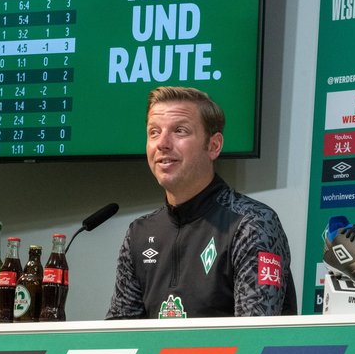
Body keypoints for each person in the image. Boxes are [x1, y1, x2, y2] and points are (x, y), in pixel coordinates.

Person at [107, 87, 297, 318]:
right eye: (154, 132)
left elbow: (255, 332)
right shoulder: (139, 233)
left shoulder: (252, 224)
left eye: (180, 131)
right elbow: (119, 332)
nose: (162, 143)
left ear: (214, 146)